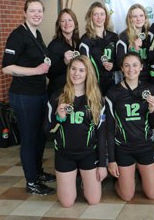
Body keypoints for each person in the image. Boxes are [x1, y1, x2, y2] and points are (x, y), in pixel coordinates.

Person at [2, 0, 55, 196]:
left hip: (39, 94)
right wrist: (36, 70)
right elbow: (7, 67)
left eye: (40, 11)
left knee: (40, 136)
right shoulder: (18, 35)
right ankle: (31, 182)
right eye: (32, 11)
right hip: (24, 96)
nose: (37, 14)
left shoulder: (37, 33)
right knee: (29, 138)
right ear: (25, 12)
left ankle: (38, 173)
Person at [46, 56, 107, 207]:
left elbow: (101, 134)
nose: (76, 73)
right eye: (73, 69)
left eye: (81, 70)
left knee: (93, 200)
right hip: (64, 154)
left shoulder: (97, 99)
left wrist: (102, 164)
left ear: (88, 73)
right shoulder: (57, 97)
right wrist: (59, 119)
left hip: (88, 154)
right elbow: (47, 132)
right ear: (68, 70)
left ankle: (84, 182)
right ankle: (73, 180)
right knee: (66, 203)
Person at [105, 51, 154, 201]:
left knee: (152, 194)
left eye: (135, 65)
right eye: (127, 66)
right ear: (121, 68)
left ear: (141, 67)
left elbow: (153, 124)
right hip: (123, 147)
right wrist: (111, 160)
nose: (131, 69)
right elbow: (109, 129)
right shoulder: (113, 92)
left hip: (145, 145)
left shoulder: (150, 90)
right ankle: (121, 181)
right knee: (127, 196)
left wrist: (153, 110)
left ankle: (135, 175)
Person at [79, 2, 118, 95]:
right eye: (95, 14)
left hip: (112, 84)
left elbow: (121, 60)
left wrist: (113, 66)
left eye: (102, 14)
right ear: (90, 17)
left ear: (106, 17)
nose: (99, 17)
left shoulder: (114, 37)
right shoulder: (85, 39)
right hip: (94, 85)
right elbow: (84, 65)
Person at [47, 8, 81, 97]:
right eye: (63, 21)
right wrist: (64, 62)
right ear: (59, 24)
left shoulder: (79, 42)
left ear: (75, 23)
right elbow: (49, 73)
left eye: (70, 20)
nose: (67, 24)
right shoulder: (54, 45)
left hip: (75, 91)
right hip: (59, 92)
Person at [116, 4, 151, 83]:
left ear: (145, 17)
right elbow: (119, 63)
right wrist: (134, 50)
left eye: (141, 15)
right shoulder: (123, 37)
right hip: (131, 80)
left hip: (149, 78)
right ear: (130, 19)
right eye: (135, 16)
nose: (139, 19)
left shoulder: (150, 34)